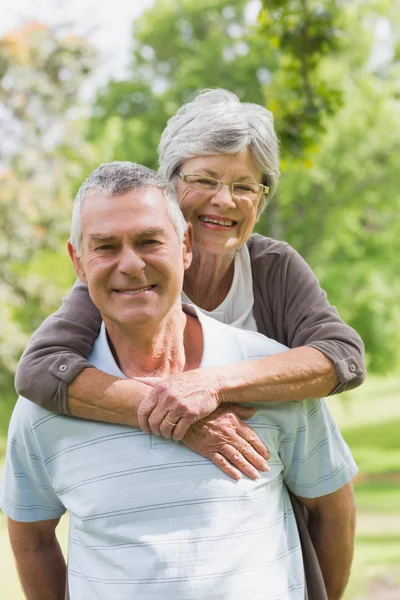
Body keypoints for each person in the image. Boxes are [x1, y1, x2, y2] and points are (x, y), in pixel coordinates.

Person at [1, 163, 357, 600]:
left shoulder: (271, 373)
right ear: (78, 261)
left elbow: (333, 512)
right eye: (105, 247)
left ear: (185, 246)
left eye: (150, 241)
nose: (131, 264)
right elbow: (31, 536)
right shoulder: (46, 407)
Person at [14, 89, 365, 477]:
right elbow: (41, 370)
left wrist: (212, 385)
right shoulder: (128, 278)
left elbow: (341, 356)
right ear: (169, 185)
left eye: (244, 187)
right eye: (205, 180)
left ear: (261, 199)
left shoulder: (273, 267)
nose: (224, 200)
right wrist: (180, 416)